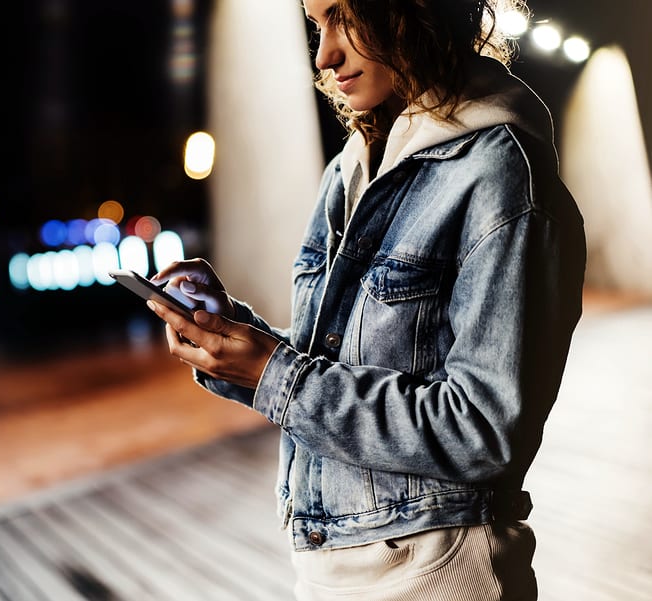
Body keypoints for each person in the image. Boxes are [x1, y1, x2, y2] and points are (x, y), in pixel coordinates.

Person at [146, 0, 586, 598]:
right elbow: (328, 365)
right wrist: (237, 346)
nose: (324, 56)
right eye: (316, 25)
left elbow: (482, 431)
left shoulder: (501, 176)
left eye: (344, 17)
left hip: (439, 566)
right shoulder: (349, 171)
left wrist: (276, 376)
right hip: (328, 565)